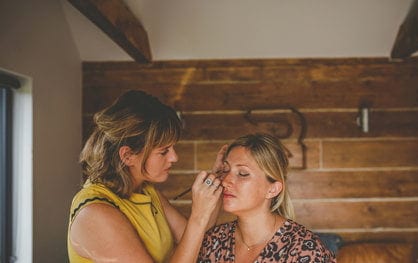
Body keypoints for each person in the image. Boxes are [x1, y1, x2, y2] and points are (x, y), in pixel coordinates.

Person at [68, 90, 225, 262]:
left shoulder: (146, 192)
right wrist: (198, 215)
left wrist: (216, 183)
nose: (174, 157)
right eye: (164, 151)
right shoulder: (95, 214)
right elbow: (196, 228)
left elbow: (197, 244)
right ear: (127, 156)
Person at [196, 133, 335, 263]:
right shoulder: (215, 240)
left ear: (272, 189)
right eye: (225, 170)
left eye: (243, 173)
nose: (225, 181)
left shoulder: (305, 249)